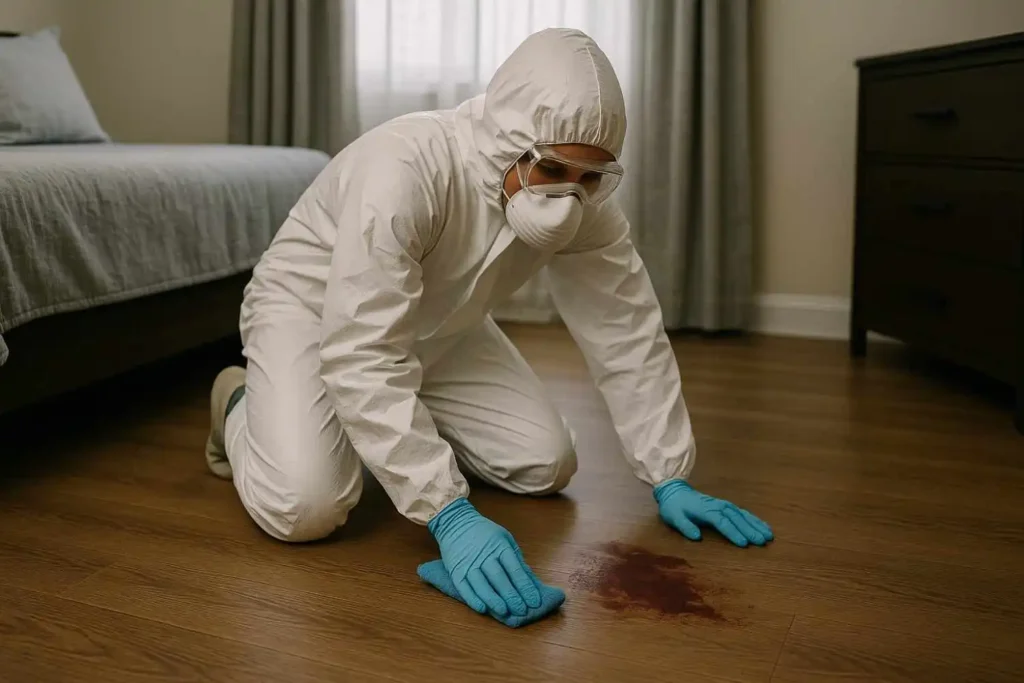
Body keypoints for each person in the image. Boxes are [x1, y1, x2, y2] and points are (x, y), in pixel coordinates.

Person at [204, 27, 773, 627]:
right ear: (510, 139)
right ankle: (239, 400)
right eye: (555, 170)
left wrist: (669, 474)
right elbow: (361, 350)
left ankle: (376, 425)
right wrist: (445, 510)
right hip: (314, 316)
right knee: (305, 507)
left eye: (590, 177)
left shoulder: (589, 198)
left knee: (545, 464)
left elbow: (627, 329)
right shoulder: (406, 167)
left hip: (443, 325)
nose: (570, 198)